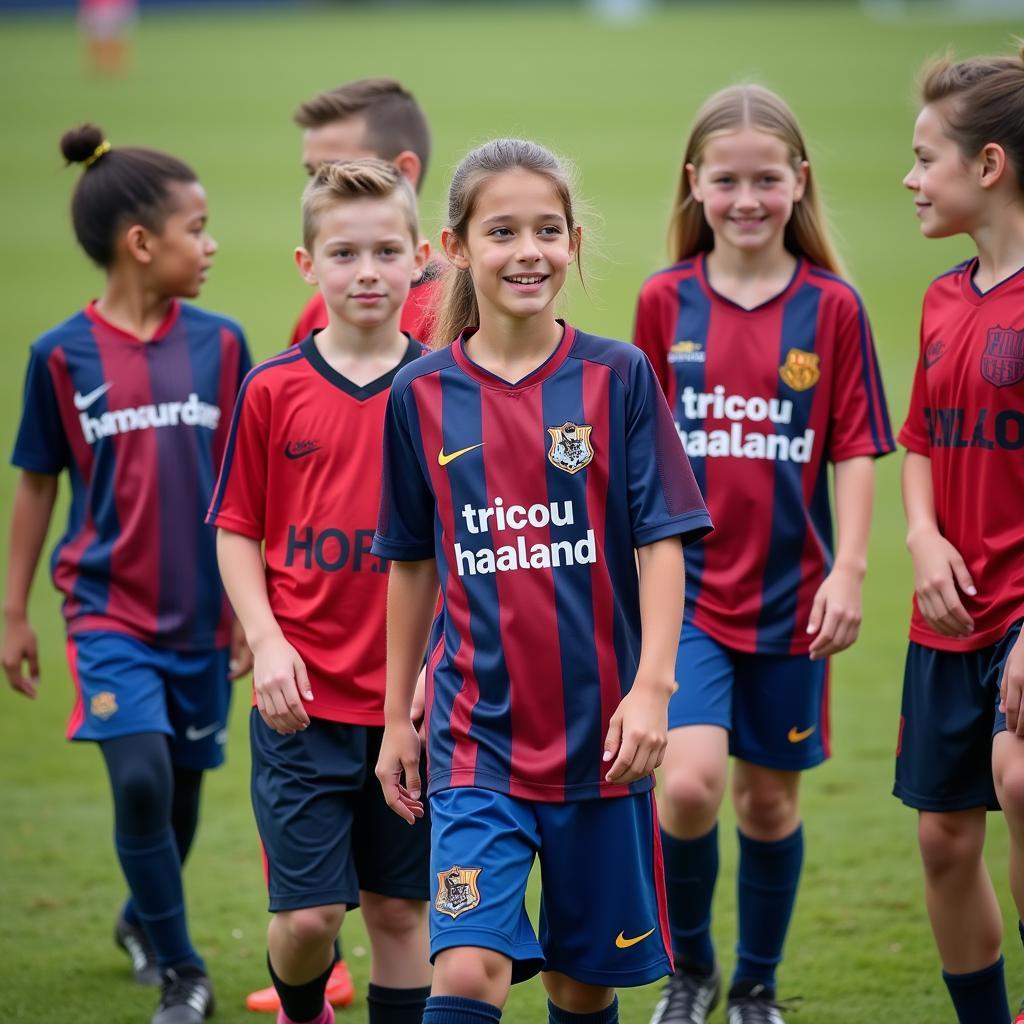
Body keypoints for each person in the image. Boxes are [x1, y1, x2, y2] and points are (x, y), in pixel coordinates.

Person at [372, 137, 713, 1024]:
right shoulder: (418, 394)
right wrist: (389, 721)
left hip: (599, 741)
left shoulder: (618, 375)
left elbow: (664, 541)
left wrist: (652, 689)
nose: (528, 250)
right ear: (455, 249)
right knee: (467, 969)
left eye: (548, 230)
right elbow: (410, 563)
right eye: (502, 232)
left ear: (572, 244)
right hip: (471, 739)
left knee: (580, 982)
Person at [632, 85, 894, 1024]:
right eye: (728, 180)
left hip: (791, 601)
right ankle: (691, 973)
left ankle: (756, 987)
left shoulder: (832, 307)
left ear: (800, 183)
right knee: (691, 786)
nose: (748, 199)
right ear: (695, 183)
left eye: (767, 180)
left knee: (769, 809)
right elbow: (637, 447)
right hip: (690, 595)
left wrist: (850, 568)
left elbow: (858, 445)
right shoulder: (666, 301)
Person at [2, 123, 252, 1024]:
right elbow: (37, 483)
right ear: (141, 244)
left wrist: (251, 612)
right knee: (142, 778)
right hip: (106, 612)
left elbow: (252, 485)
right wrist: (13, 611)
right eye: (198, 227)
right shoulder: (58, 356)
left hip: (202, 615)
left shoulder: (224, 346)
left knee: (181, 788)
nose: (212, 243)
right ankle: (186, 972)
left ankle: (142, 916)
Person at [208, 159, 433, 1024]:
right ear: (309, 266)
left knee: (400, 909)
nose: (367, 271)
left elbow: (464, 550)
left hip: (408, 706)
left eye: (385, 250)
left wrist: (434, 669)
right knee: (308, 918)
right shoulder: (274, 388)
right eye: (344, 253)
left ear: (419, 258)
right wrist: (265, 639)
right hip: (300, 704)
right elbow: (237, 528)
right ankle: (307, 1012)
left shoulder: (446, 388)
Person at [895, 48, 1024, 1024]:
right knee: (943, 835)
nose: (907, 178)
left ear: (987, 166)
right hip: (950, 608)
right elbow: (920, 443)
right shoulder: (944, 297)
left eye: (924, 156)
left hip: (1022, 612)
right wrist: (922, 536)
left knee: (1020, 781)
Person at [290, 78, 442, 347]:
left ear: (404, 172)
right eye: (313, 174)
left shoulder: (458, 306)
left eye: (334, 170)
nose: (316, 190)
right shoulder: (321, 309)